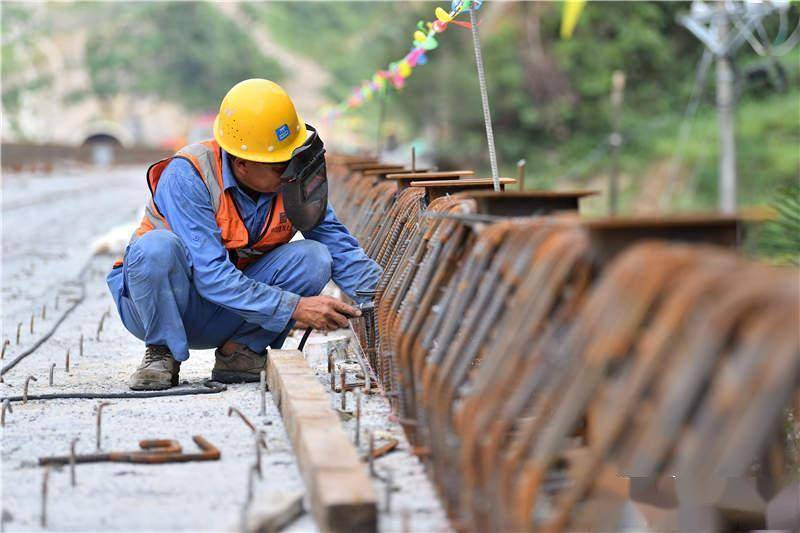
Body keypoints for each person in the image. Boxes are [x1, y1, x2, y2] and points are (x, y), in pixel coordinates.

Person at [106, 79, 382, 390]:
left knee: (314, 257)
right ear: (242, 164)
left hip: (230, 309)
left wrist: (384, 297)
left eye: (292, 158)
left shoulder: (290, 181)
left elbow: (336, 242)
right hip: (165, 304)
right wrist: (295, 307)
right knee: (156, 247)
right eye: (280, 166)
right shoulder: (188, 176)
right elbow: (211, 276)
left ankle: (240, 354)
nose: (290, 170)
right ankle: (161, 352)